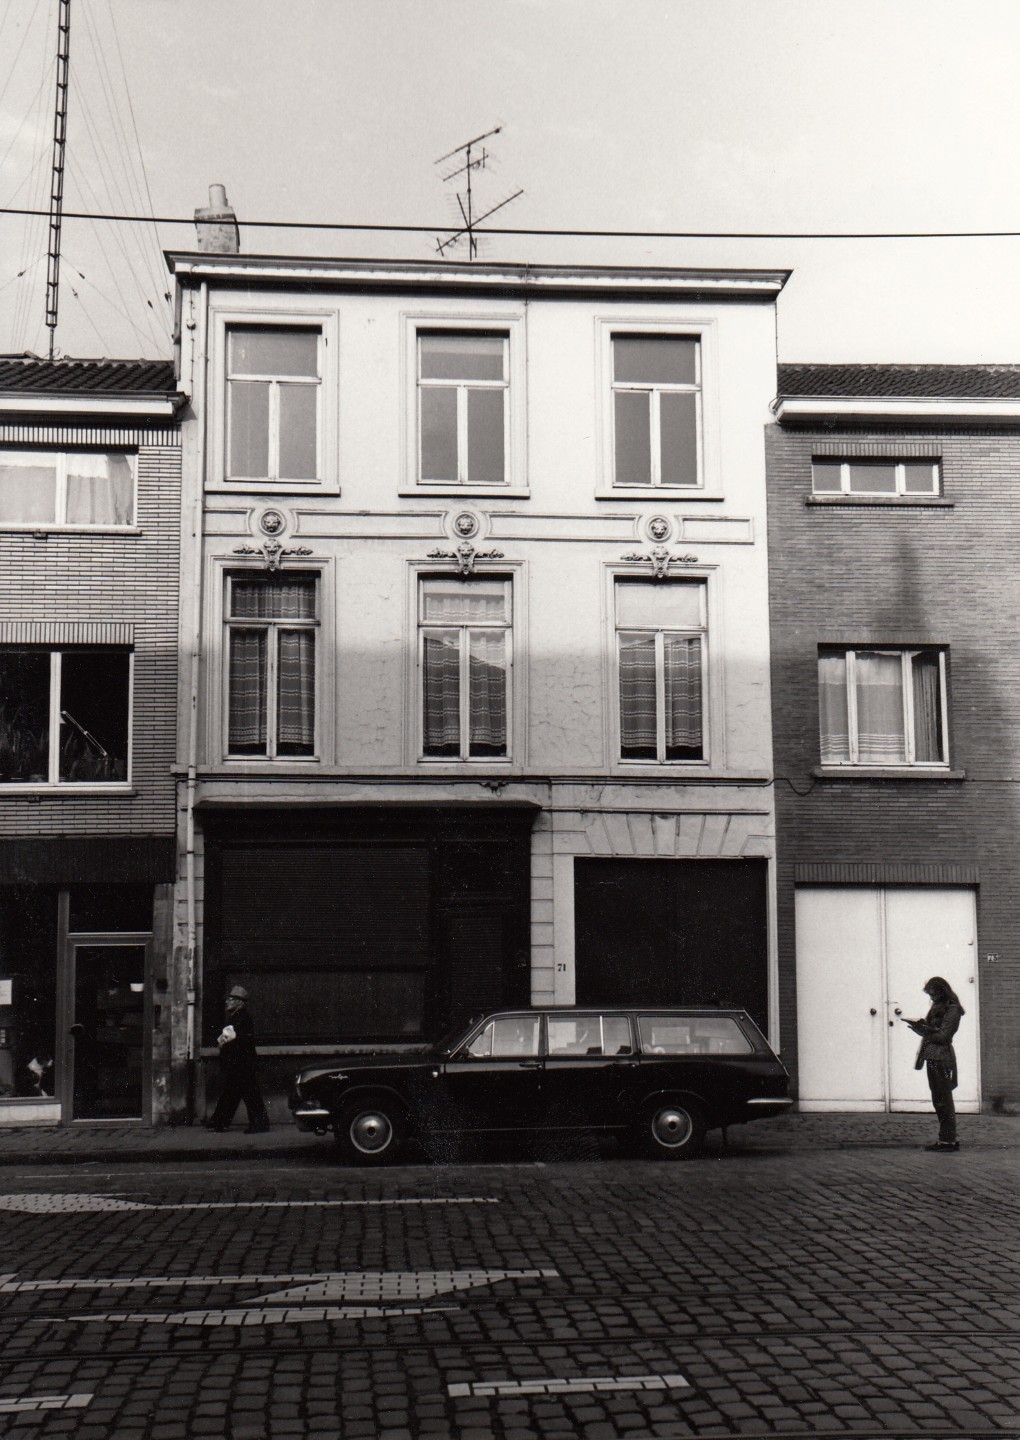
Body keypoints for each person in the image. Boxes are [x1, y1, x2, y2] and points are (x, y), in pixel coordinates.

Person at [903, 976, 964, 1152]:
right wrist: (921, 1027)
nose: (931, 998)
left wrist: (923, 1031)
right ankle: (946, 1138)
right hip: (933, 1055)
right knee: (939, 1099)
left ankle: (948, 1140)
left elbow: (943, 1036)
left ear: (941, 992)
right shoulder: (939, 1006)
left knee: (943, 1099)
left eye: (933, 994)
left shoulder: (952, 1008)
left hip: (941, 1056)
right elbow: (935, 1030)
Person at [204, 984, 270, 1133]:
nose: (227, 1002)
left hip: (241, 1064)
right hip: (239, 1064)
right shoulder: (237, 1017)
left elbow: (235, 1041)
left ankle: (258, 1124)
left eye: (231, 999)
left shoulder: (241, 1019)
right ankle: (219, 1121)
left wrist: (223, 1043)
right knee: (233, 1093)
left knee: (247, 1095)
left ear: (240, 1002)